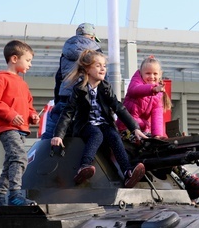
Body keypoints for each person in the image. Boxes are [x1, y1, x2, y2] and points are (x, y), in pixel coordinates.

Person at [115, 55, 199, 200]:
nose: (151, 76)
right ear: (140, 73)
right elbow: (136, 90)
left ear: (160, 75)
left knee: (162, 147)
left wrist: (159, 136)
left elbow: (157, 117)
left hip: (143, 132)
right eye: (148, 73)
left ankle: (188, 179)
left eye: (155, 74)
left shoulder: (158, 95)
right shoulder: (137, 84)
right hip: (125, 129)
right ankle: (187, 178)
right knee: (150, 146)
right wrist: (154, 89)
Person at [51, 49, 148, 187]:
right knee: (97, 135)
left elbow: (118, 107)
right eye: (98, 65)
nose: (103, 69)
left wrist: (135, 128)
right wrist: (58, 135)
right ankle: (84, 166)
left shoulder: (106, 87)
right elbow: (68, 112)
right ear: (87, 70)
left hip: (104, 123)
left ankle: (128, 172)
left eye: (104, 66)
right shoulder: (79, 89)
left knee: (114, 136)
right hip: (86, 124)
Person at [0, 40, 40, 206]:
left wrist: (32, 115)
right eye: (28, 60)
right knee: (20, 158)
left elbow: (28, 106)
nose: (30, 64)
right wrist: (10, 114)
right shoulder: (1, 78)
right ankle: (15, 195)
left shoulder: (23, 84)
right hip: (7, 127)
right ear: (15, 58)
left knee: (11, 163)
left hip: (20, 129)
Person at [40, 23, 102, 140]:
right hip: (85, 98)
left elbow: (59, 78)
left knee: (54, 133)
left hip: (65, 97)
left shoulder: (65, 51)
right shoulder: (96, 51)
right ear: (93, 37)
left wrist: (58, 100)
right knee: (88, 136)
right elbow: (101, 78)